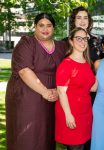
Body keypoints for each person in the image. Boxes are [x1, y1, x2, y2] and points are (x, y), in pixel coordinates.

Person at [5, 13, 67, 150]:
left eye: (49, 26)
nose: (45, 29)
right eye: (41, 25)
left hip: (52, 98)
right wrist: (45, 92)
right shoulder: (26, 43)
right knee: (28, 137)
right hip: (27, 97)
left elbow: (67, 71)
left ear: (54, 28)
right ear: (35, 27)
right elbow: (24, 71)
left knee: (46, 137)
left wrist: (58, 91)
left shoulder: (61, 46)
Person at [55, 27, 97, 150]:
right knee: (75, 147)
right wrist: (68, 115)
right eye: (78, 39)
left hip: (85, 112)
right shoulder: (66, 64)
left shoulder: (87, 63)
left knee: (82, 146)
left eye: (85, 39)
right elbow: (61, 92)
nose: (83, 42)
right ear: (71, 41)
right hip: (71, 112)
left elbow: (92, 88)